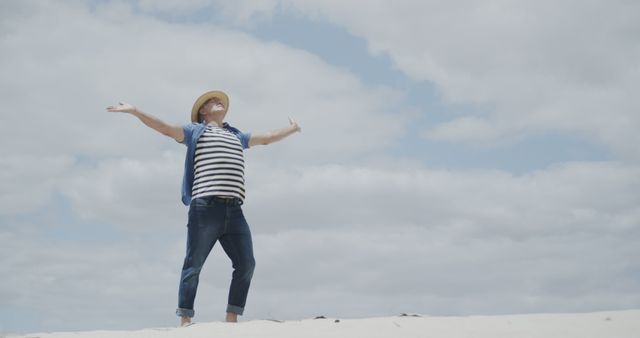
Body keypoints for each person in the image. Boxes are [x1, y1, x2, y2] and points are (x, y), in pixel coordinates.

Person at [106, 90, 301, 326]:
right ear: (203, 112)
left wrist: (292, 129)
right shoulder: (195, 131)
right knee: (194, 263)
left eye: (220, 100)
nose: (219, 102)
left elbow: (267, 137)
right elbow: (165, 128)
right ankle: (185, 318)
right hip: (205, 207)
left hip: (235, 209)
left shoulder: (236, 135)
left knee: (247, 263)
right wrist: (136, 112)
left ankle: (232, 317)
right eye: (212, 101)